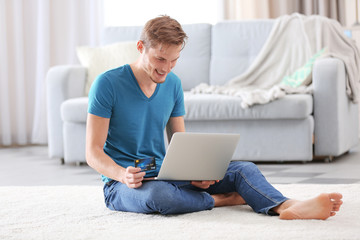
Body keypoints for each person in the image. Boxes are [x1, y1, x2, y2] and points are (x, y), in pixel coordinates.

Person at [86, 15, 343, 219]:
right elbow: (93, 152)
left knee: (243, 169)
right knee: (161, 197)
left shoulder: (173, 84)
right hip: (123, 185)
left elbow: (181, 144)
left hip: (164, 174)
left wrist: (195, 173)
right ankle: (226, 200)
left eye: (174, 61)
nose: (165, 68)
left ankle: (286, 206)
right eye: (159, 59)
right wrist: (121, 175)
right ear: (141, 47)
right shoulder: (107, 84)